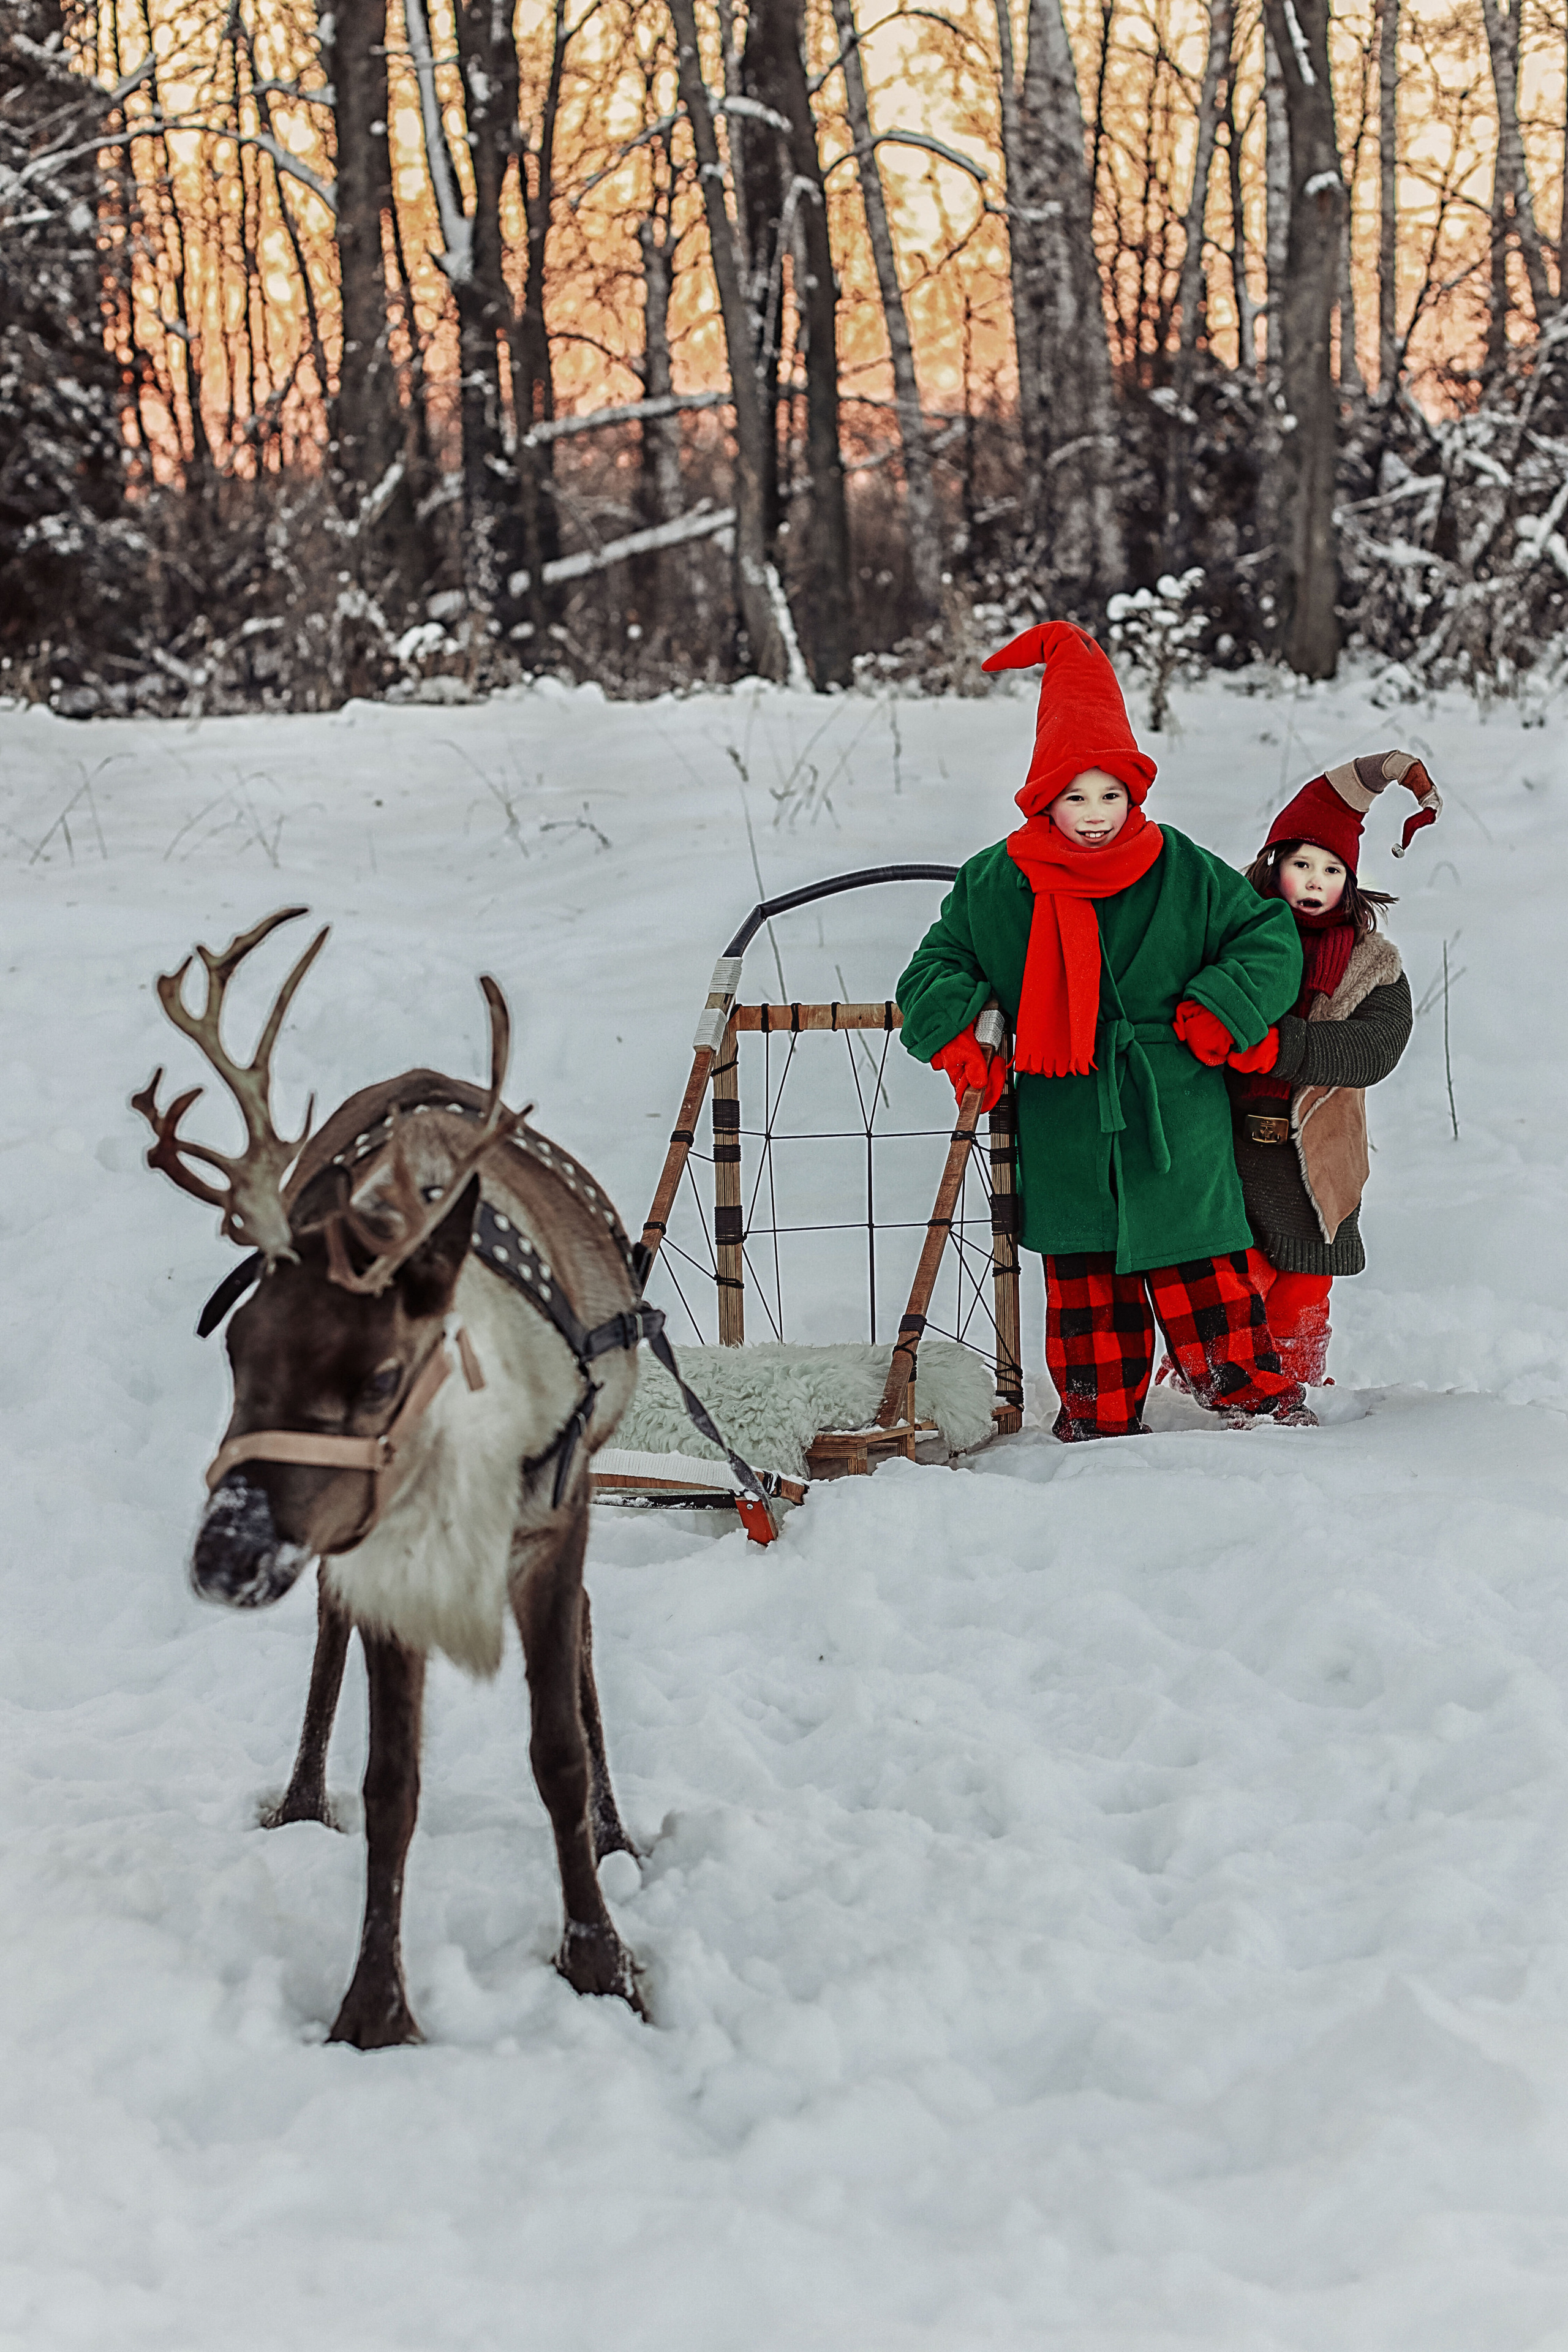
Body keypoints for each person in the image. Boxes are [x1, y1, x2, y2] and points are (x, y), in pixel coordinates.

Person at [897, 620, 1308, 1441]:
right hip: (1062, 1105)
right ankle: (1095, 1411)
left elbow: (1270, 939)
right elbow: (929, 972)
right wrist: (957, 1030)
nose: (1093, 816)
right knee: (1085, 1267)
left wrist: (1220, 1005)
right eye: (1075, 797)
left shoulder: (1182, 867)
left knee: (1200, 1256)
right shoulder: (996, 881)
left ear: (1135, 793)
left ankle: (1249, 1394)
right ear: (1043, 797)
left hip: (1170, 1100)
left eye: (1110, 795)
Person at [1221, 752, 1436, 1389]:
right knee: (1233, 1275)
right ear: (1273, 868)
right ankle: (1214, 1383)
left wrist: (1286, 1048)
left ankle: (1297, 1382)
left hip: (1313, 1157)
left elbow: (1375, 1047)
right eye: (1300, 866)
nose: (1315, 881)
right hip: (1227, 1147)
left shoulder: (1371, 963)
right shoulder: (1229, 940)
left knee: (1303, 1281)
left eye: (1331, 869)